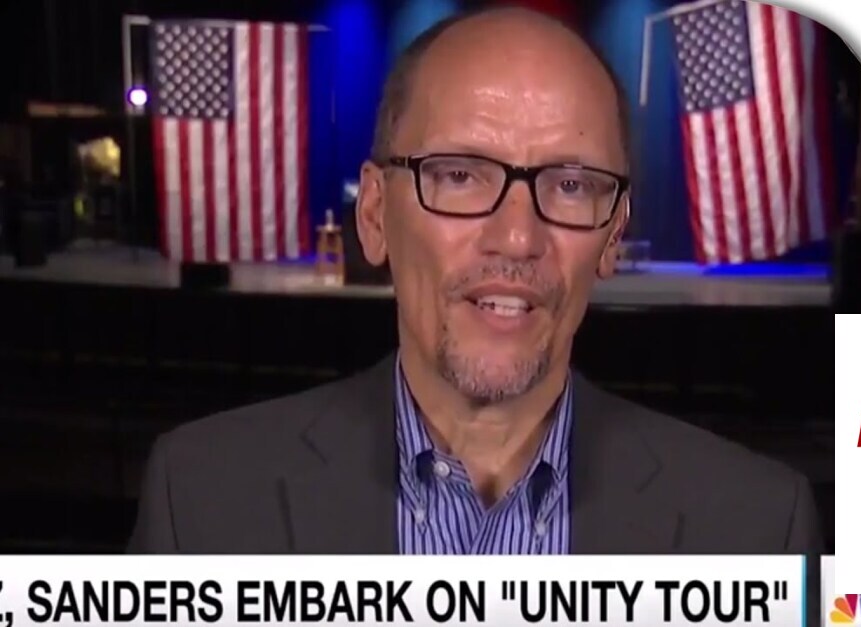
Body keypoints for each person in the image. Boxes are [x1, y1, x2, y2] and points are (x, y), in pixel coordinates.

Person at [127, 7, 823, 555]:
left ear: (613, 234)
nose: (516, 237)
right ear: (374, 216)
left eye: (571, 184)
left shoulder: (759, 530)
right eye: (459, 175)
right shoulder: (201, 500)